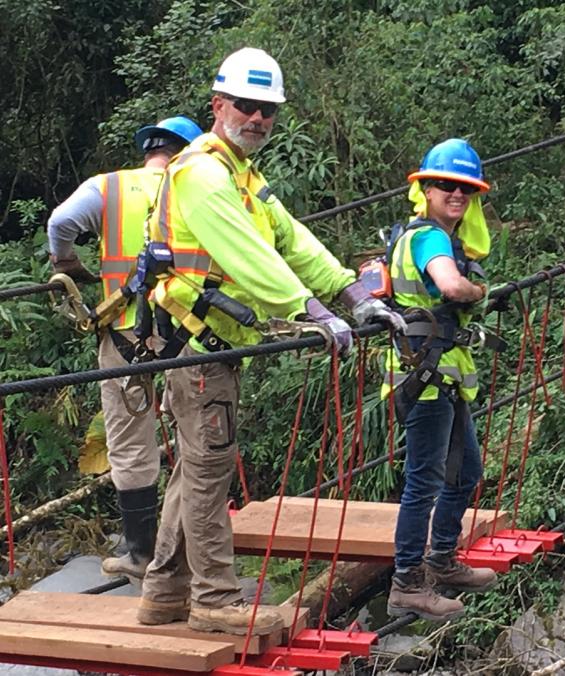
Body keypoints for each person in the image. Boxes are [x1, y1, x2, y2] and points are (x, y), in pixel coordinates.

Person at [135, 47, 405, 636]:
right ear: (218, 104)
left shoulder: (244, 177)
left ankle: (163, 591)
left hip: (207, 347)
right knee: (208, 471)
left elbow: (293, 239)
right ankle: (214, 600)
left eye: (268, 110)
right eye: (246, 106)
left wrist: (352, 293)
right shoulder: (203, 173)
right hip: (199, 348)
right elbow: (247, 256)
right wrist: (308, 308)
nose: (257, 118)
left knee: (193, 469)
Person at [47, 116, 203, 580]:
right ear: (189, 153)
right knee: (197, 437)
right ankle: (190, 550)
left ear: (149, 151)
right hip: (191, 330)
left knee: (130, 442)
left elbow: (61, 222)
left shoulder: (109, 187)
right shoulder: (200, 189)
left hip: (125, 331)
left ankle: (141, 554)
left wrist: (66, 261)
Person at [383, 138, 498, 622]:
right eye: (447, 186)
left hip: (441, 377)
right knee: (424, 482)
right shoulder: (429, 237)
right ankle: (407, 582)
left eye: (465, 189)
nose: (457, 195)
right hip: (425, 380)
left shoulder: (433, 236)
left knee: (465, 473)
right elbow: (451, 286)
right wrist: (480, 291)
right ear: (426, 188)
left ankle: (442, 560)